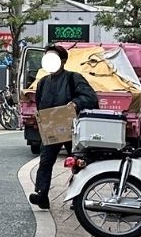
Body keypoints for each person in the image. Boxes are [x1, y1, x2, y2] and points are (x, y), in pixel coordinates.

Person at [29, 46, 98, 209]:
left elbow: (90, 97)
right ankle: (41, 194)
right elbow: (40, 104)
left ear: (64, 61)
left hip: (72, 127)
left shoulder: (73, 78)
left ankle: (78, 198)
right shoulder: (43, 82)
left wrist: (75, 103)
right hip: (52, 128)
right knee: (45, 161)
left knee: (77, 162)